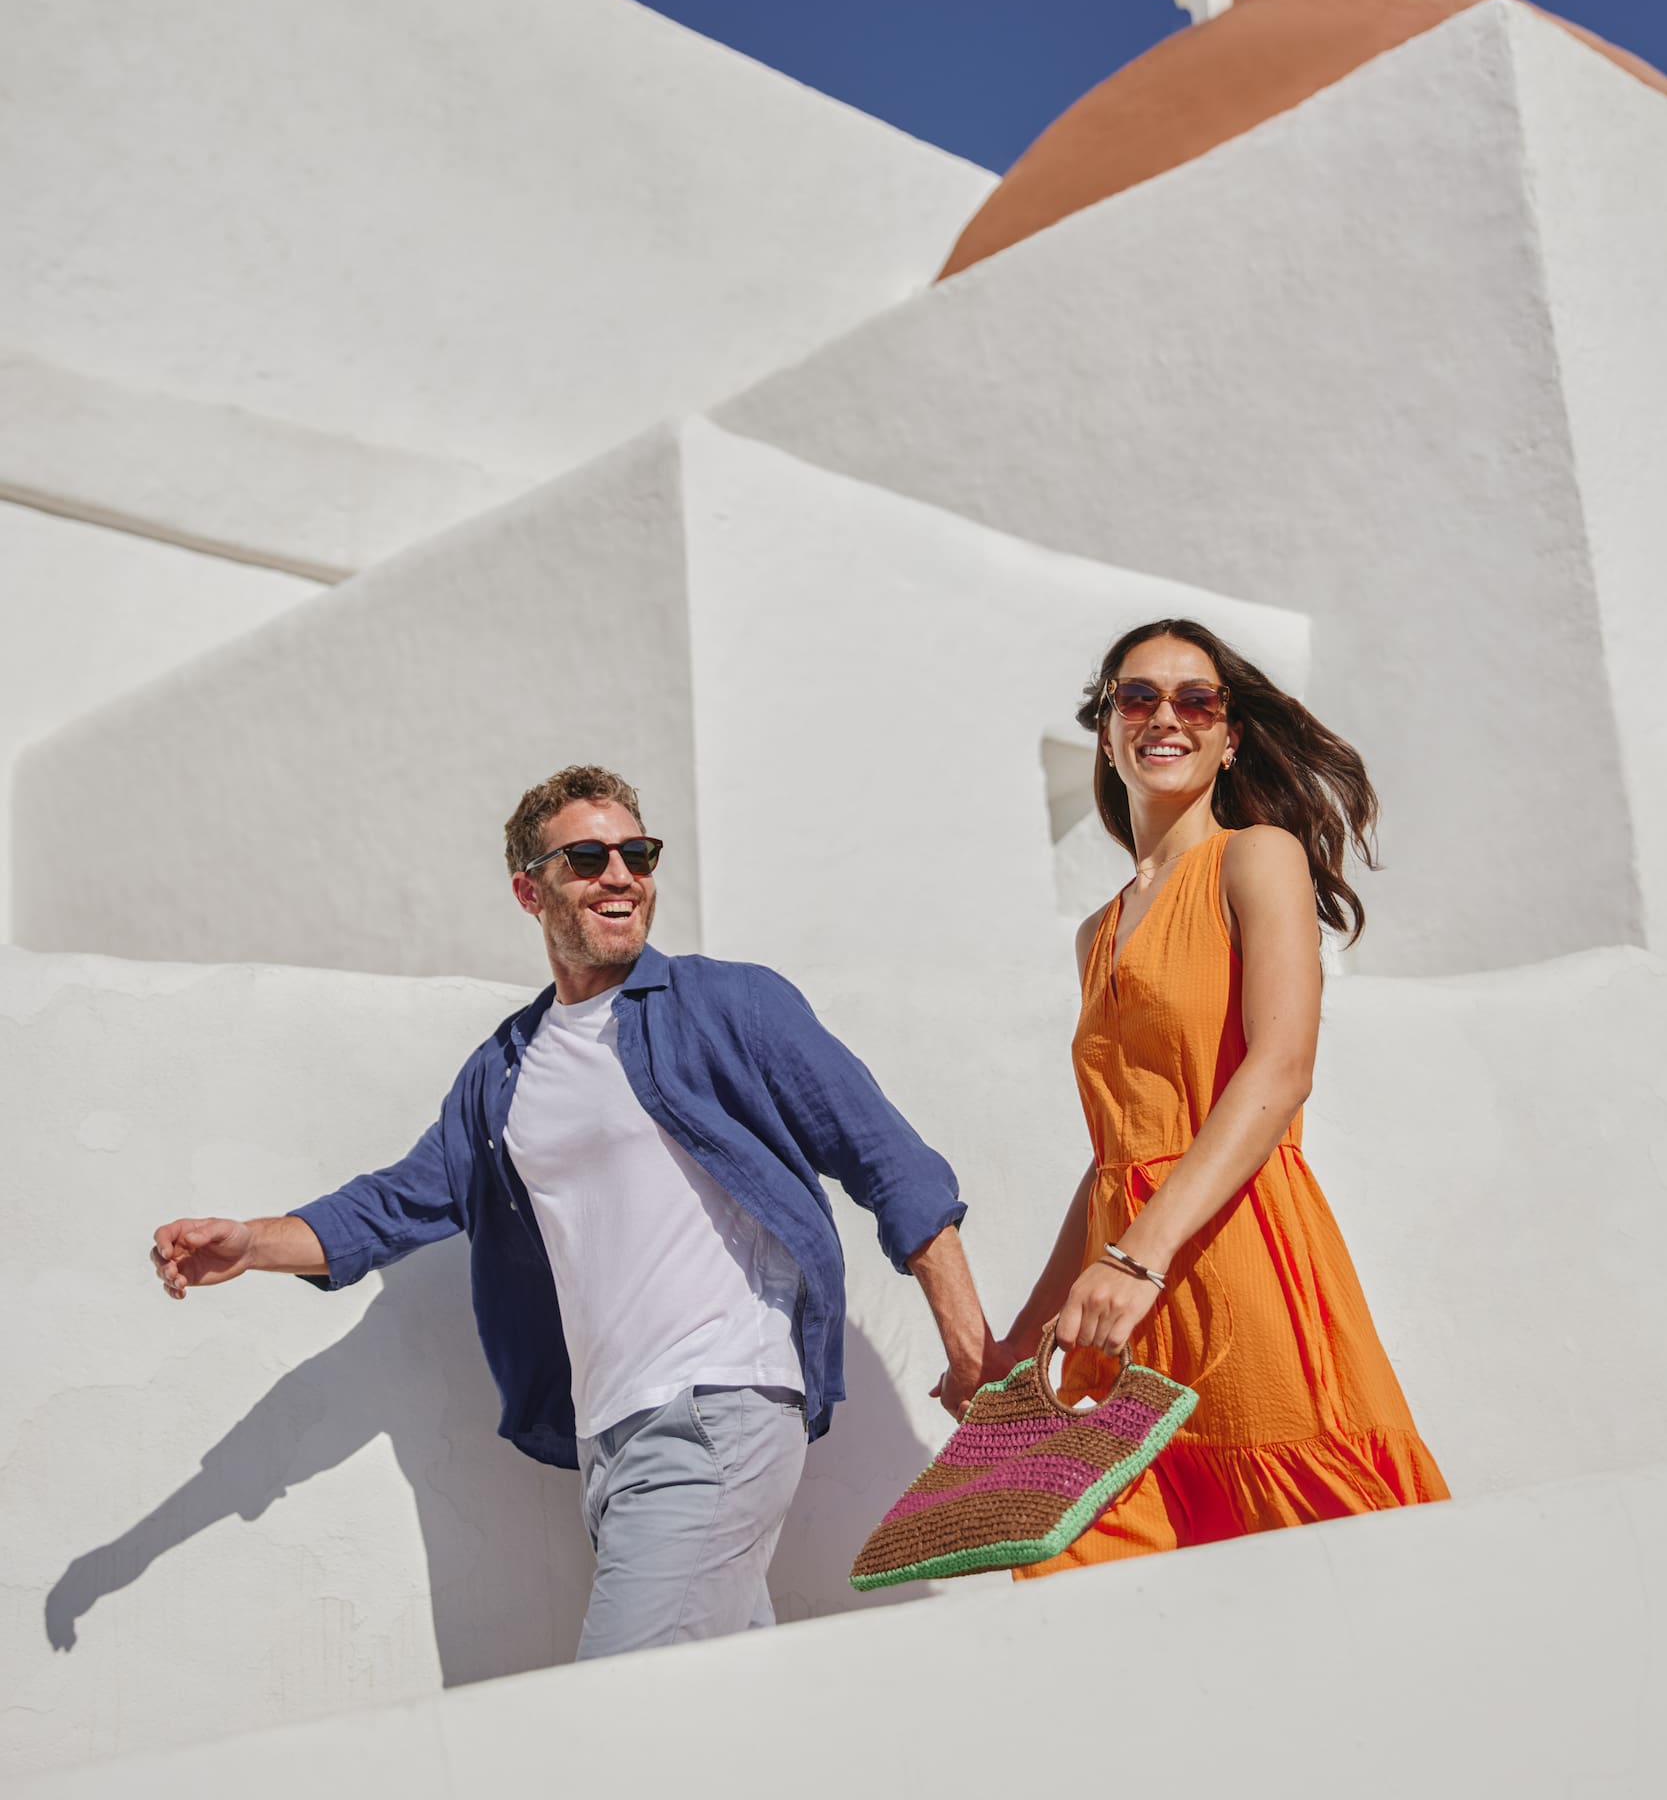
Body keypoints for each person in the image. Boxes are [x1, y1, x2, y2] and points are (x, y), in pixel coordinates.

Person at [151, 765, 991, 1656]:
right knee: (720, 1715)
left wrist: (972, 1354)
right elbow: (399, 1201)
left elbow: (891, 1165)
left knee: (613, 1711)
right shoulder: (506, 1070)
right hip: (609, 1439)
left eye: (637, 853)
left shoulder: (731, 1005)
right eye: (587, 858)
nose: (620, 875)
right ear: (530, 890)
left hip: (718, 1405)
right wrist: (251, 1244)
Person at [985, 619, 1447, 1575]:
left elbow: (1278, 1070)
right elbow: (1117, 1147)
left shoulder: (1254, 856)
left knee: (1309, 1562)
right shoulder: (1095, 932)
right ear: (1106, 733)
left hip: (1232, 1257)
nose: (1167, 717)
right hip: (1123, 1285)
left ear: (1229, 734)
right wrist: (1028, 1334)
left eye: (1196, 699)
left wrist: (1138, 1258)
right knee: (1074, 1564)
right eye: (1137, 697)